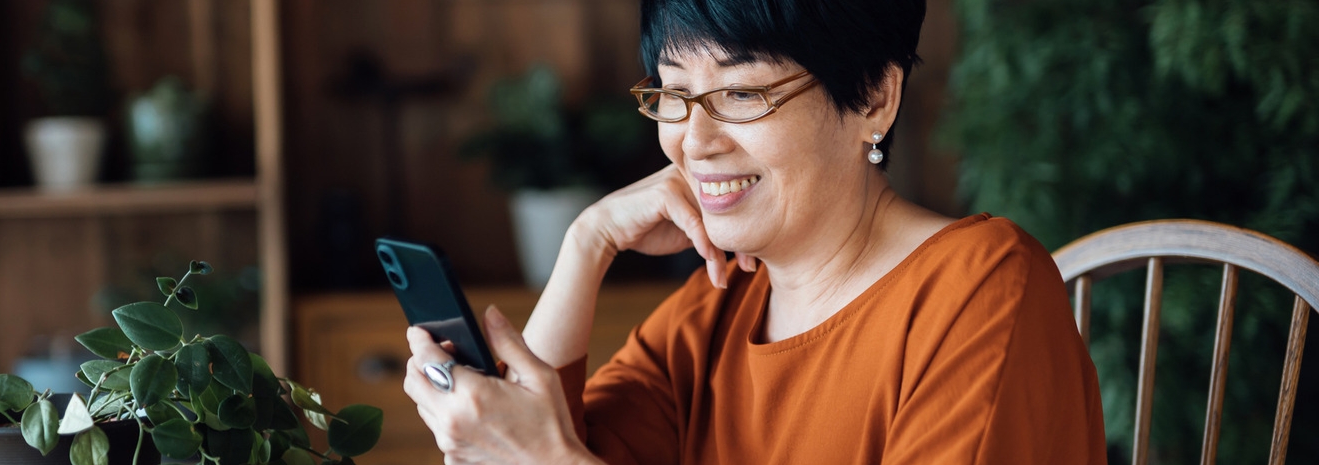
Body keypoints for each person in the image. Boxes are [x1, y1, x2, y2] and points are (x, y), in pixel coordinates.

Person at [403, 0, 1108, 463]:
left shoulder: (980, 289)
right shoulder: (716, 306)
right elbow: (542, 440)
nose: (694, 139)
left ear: (874, 96)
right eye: (673, 93)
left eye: (742, 92)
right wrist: (588, 243)